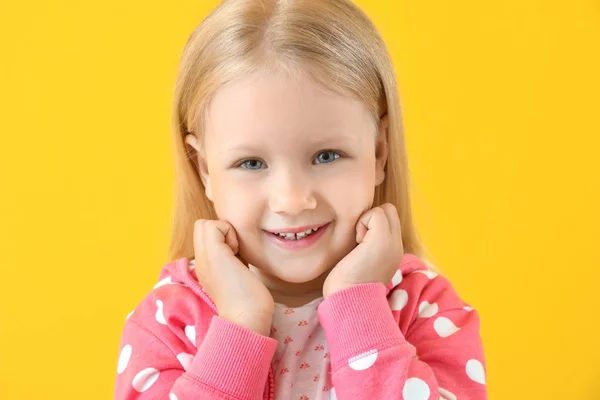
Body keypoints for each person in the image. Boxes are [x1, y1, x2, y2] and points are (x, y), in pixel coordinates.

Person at [114, 0, 487, 398]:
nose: (291, 200)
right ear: (204, 169)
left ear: (379, 153)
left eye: (326, 156)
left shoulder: (424, 309)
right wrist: (240, 325)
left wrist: (359, 307)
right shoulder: (166, 322)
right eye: (251, 162)